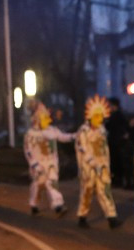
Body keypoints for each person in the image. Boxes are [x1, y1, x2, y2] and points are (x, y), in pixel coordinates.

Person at [75, 95, 121, 228]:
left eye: (101, 116)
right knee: (87, 191)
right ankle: (82, 216)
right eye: (97, 116)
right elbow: (83, 149)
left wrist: (105, 165)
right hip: (88, 168)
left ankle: (111, 217)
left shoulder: (101, 130)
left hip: (102, 167)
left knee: (105, 190)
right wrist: (93, 163)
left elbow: (104, 149)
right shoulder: (83, 131)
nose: (100, 119)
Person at [23, 101, 74, 216]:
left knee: (52, 183)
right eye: (45, 118)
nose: (49, 120)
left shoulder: (52, 130)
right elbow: (28, 151)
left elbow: (62, 137)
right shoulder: (31, 134)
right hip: (38, 165)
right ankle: (34, 203)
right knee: (38, 185)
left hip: (51, 164)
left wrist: (73, 136)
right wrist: (34, 164)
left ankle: (58, 205)